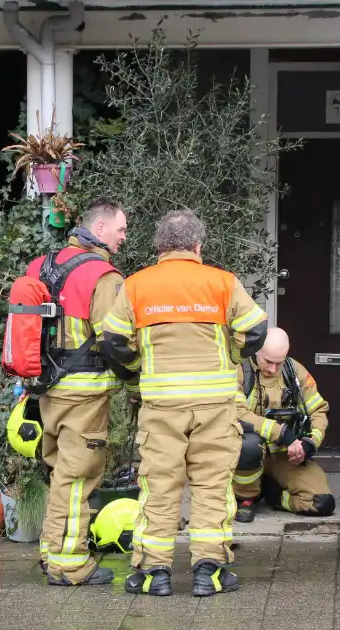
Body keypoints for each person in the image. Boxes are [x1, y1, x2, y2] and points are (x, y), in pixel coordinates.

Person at [100, 208, 268, 598]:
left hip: (162, 407)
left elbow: (111, 342)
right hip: (215, 406)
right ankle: (208, 572)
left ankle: (151, 574)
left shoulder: (138, 285)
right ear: (197, 246)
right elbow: (257, 330)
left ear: (159, 247)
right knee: (212, 487)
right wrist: (232, 354)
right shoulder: (222, 283)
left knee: (159, 488)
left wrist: (137, 369)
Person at [32, 197, 132, 587]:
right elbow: (115, 339)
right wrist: (136, 380)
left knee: (61, 474)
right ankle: (68, 563)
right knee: (77, 480)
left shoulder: (42, 266)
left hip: (48, 390)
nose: (124, 237)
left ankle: (50, 551)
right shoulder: (102, 276)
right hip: (84, 395)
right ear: (101, 228)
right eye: (121, 229)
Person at [231, 327, 335, 523]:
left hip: (283, 454)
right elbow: (237, 413)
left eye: (278, 363)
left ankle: (272, 494)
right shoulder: (239, 369)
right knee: (249, 445)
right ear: (257, 350)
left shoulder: (294, 371)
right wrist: (282, 433)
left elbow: (318, 410)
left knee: (322, 502)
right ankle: (246, 498)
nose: (273, 369)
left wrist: (309, 444)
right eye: (268, 362)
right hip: (247, 451)